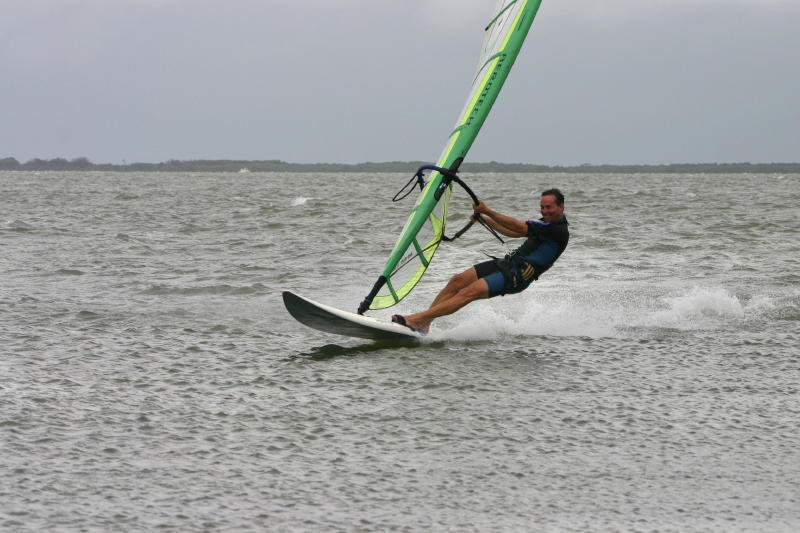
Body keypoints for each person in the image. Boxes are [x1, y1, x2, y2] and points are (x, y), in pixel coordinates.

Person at [392, 188, 569, 334]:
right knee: (457, 280)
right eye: (542, 207)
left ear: (561, 206)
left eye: (549, 207)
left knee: (468, 293)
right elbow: (513, 232)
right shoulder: (545, 225)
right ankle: (425, 323)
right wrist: (485, 220)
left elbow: (518, 226)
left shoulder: (558, 230)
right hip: (508, 264)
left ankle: (416, 319)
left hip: (518, 276)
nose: (544, 211)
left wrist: (487, 210)